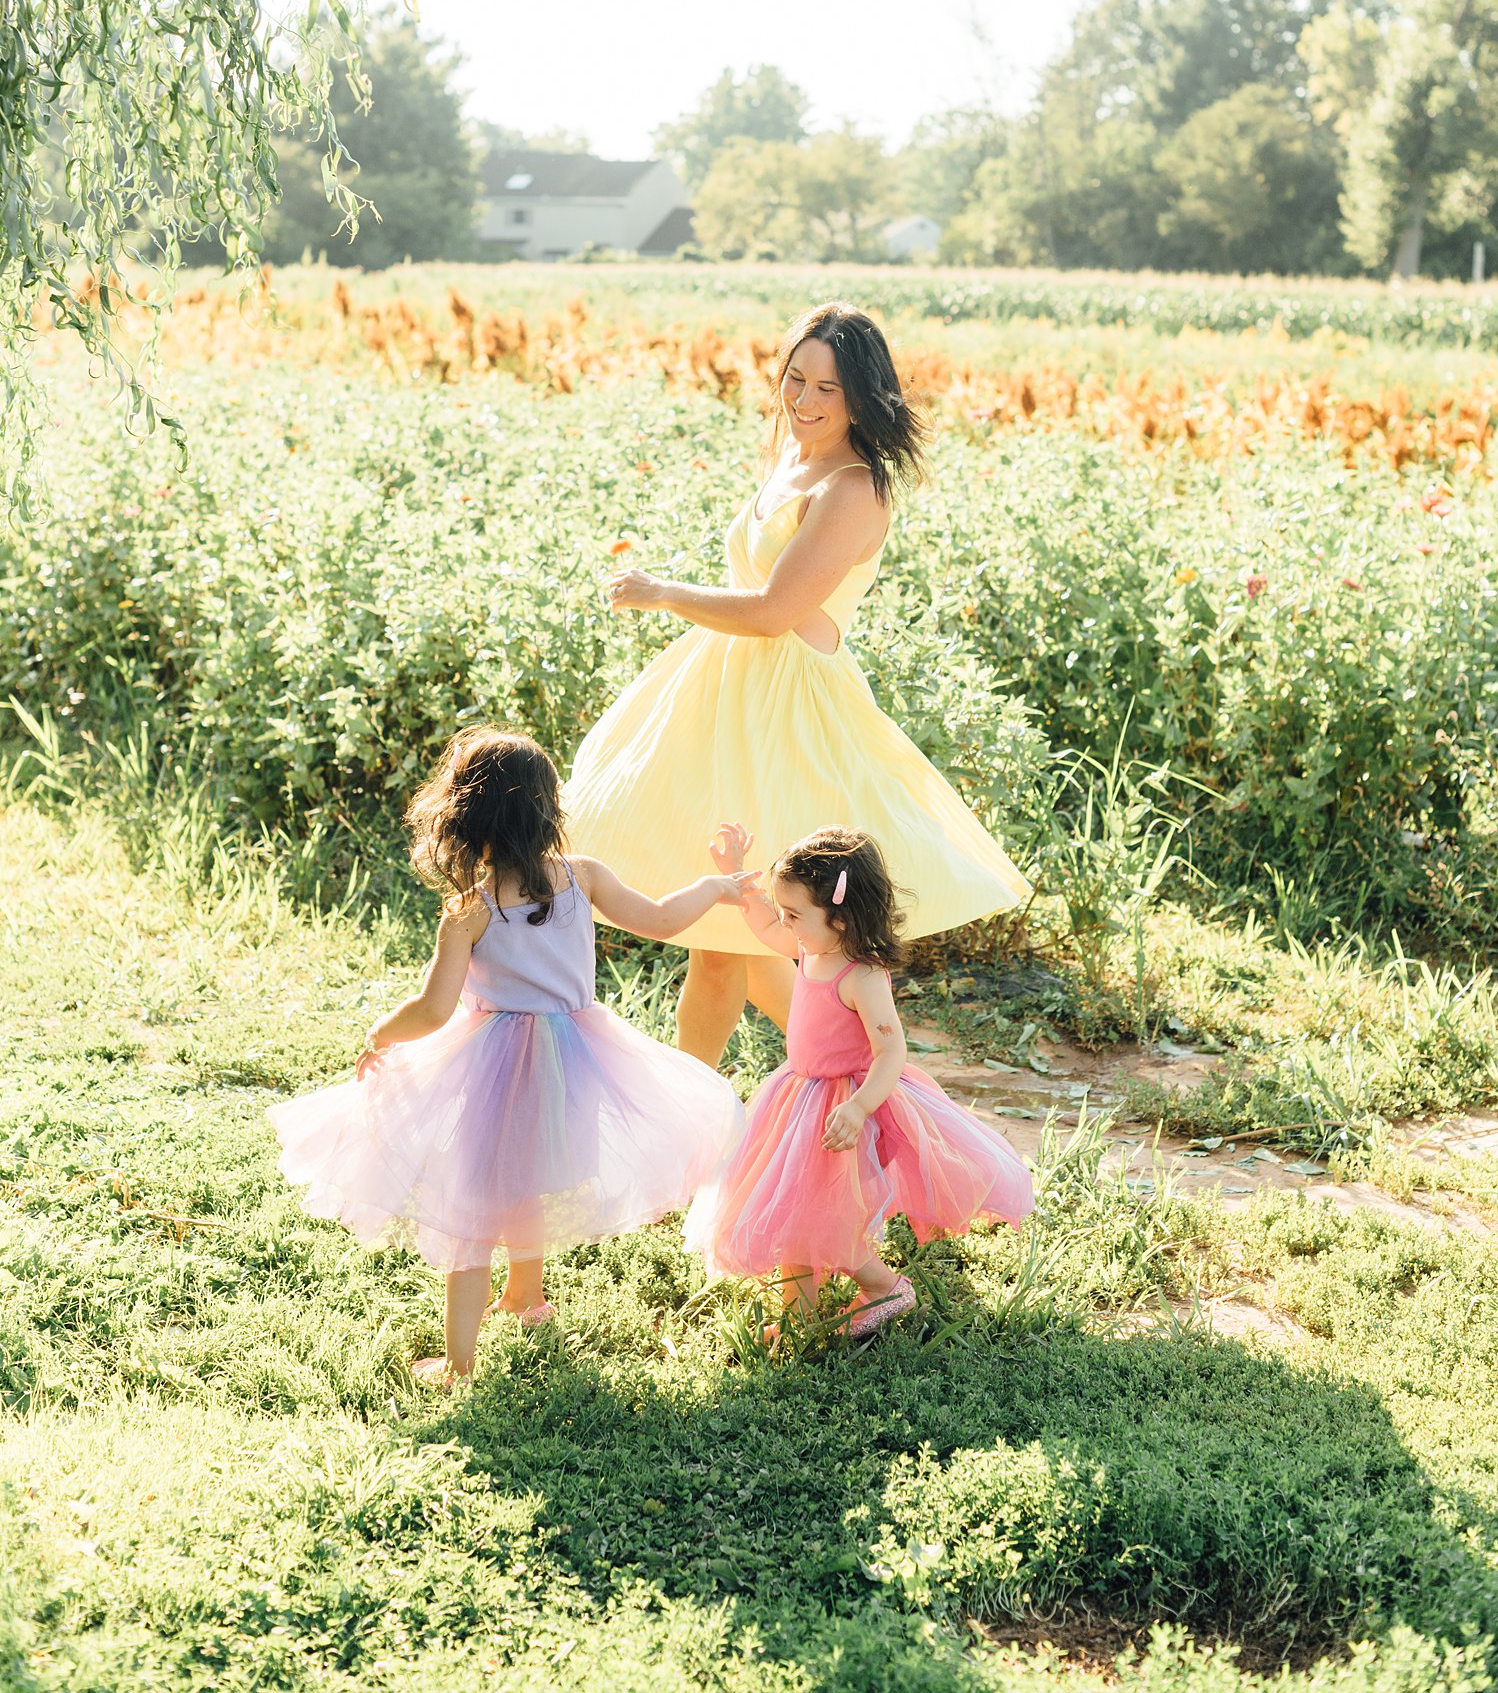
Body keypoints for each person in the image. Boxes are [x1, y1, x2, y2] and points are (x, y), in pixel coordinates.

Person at [566, 301, 1031, 1067]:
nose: (804, 401)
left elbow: (776, 610)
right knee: (735, 939)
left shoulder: (854, 487)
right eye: (795, 379)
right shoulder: (792, 458)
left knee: (742, 932)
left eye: (828, 389)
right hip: (725, 698)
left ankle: (835, 1091)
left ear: (862, 397)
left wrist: (662, 591)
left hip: (790, 715)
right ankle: (831, 1087)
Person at [267, 728, 752, 1383]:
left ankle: (460, 1362)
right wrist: (719, 884)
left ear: (465, 819)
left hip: (492, 1062)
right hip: (574, 1057)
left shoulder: (470, 910)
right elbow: (664, 919)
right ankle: (526, 1294)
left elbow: (433, 1010)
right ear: (549, 809)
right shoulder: (583, 878)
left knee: (471, 1208)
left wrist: (382, 1031)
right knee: (527, 1177)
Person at [684, 824, 1034, 1340]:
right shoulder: (811, 947)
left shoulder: (861, 976)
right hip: (799, 1096)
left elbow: (891, 1051)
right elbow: (763, 928)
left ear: (842, 917)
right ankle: (798, 1317)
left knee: (824, 1219)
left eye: (796, 914)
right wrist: (737, 874)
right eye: (787, 912)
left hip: (843, 1105)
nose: (787, 923)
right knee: (796, 1212)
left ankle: (887, 1287)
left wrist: (861, 1107)